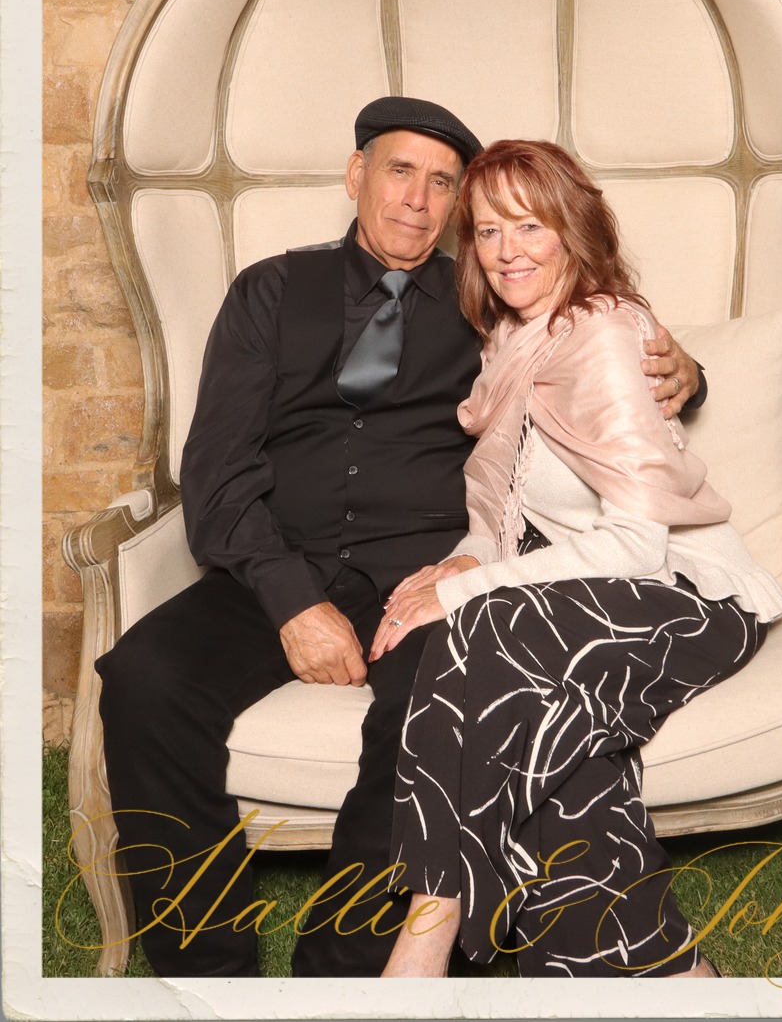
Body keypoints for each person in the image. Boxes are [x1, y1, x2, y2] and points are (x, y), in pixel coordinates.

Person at [95, 98, 704, 979]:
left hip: (421, 577)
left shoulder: (488, 301)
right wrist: (292, 602)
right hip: (275, 564)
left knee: (433, 719)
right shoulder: (270, 292)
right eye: (399, 171)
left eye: (443, 183)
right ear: (357, 176)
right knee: (144, 679)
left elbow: (589, 340)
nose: (418, 199)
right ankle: (207, 978)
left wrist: (688, 369)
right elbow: (217, 470)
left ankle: (343, 974)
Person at [371, 140, 782, 979]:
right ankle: (675, 977)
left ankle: (427, 934)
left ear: (574, 229)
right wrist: (460, 568)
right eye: (488, 230)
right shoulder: (510, 341)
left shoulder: (601, 334)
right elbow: (504, 516)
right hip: (576, 599)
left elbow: (635, 544)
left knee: (487, 629)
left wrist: (467, 596)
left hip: (681, 594)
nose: (507, 250)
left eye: (530, 226)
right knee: (559, 731)